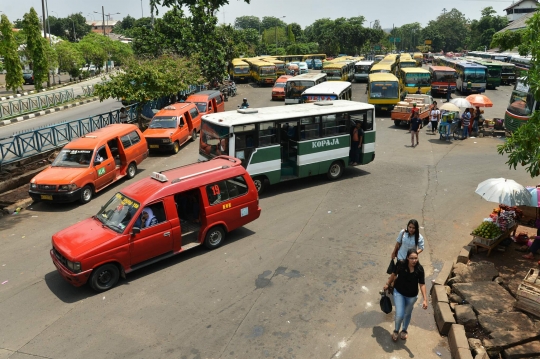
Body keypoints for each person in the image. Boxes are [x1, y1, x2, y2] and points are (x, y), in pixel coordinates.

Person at [384, 249, 428, 342]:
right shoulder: (400, 264)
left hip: (412, 296)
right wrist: (388, 283)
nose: (414, 260)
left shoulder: (419, 269)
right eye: (411, 258)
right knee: (399, 314)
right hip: (399, 292)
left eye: (415, 258)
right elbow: (393, 274)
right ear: (407, 258)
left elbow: (422, 284)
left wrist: (425, 299)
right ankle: (396, 331)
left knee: (407, 313)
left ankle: (404, 330)